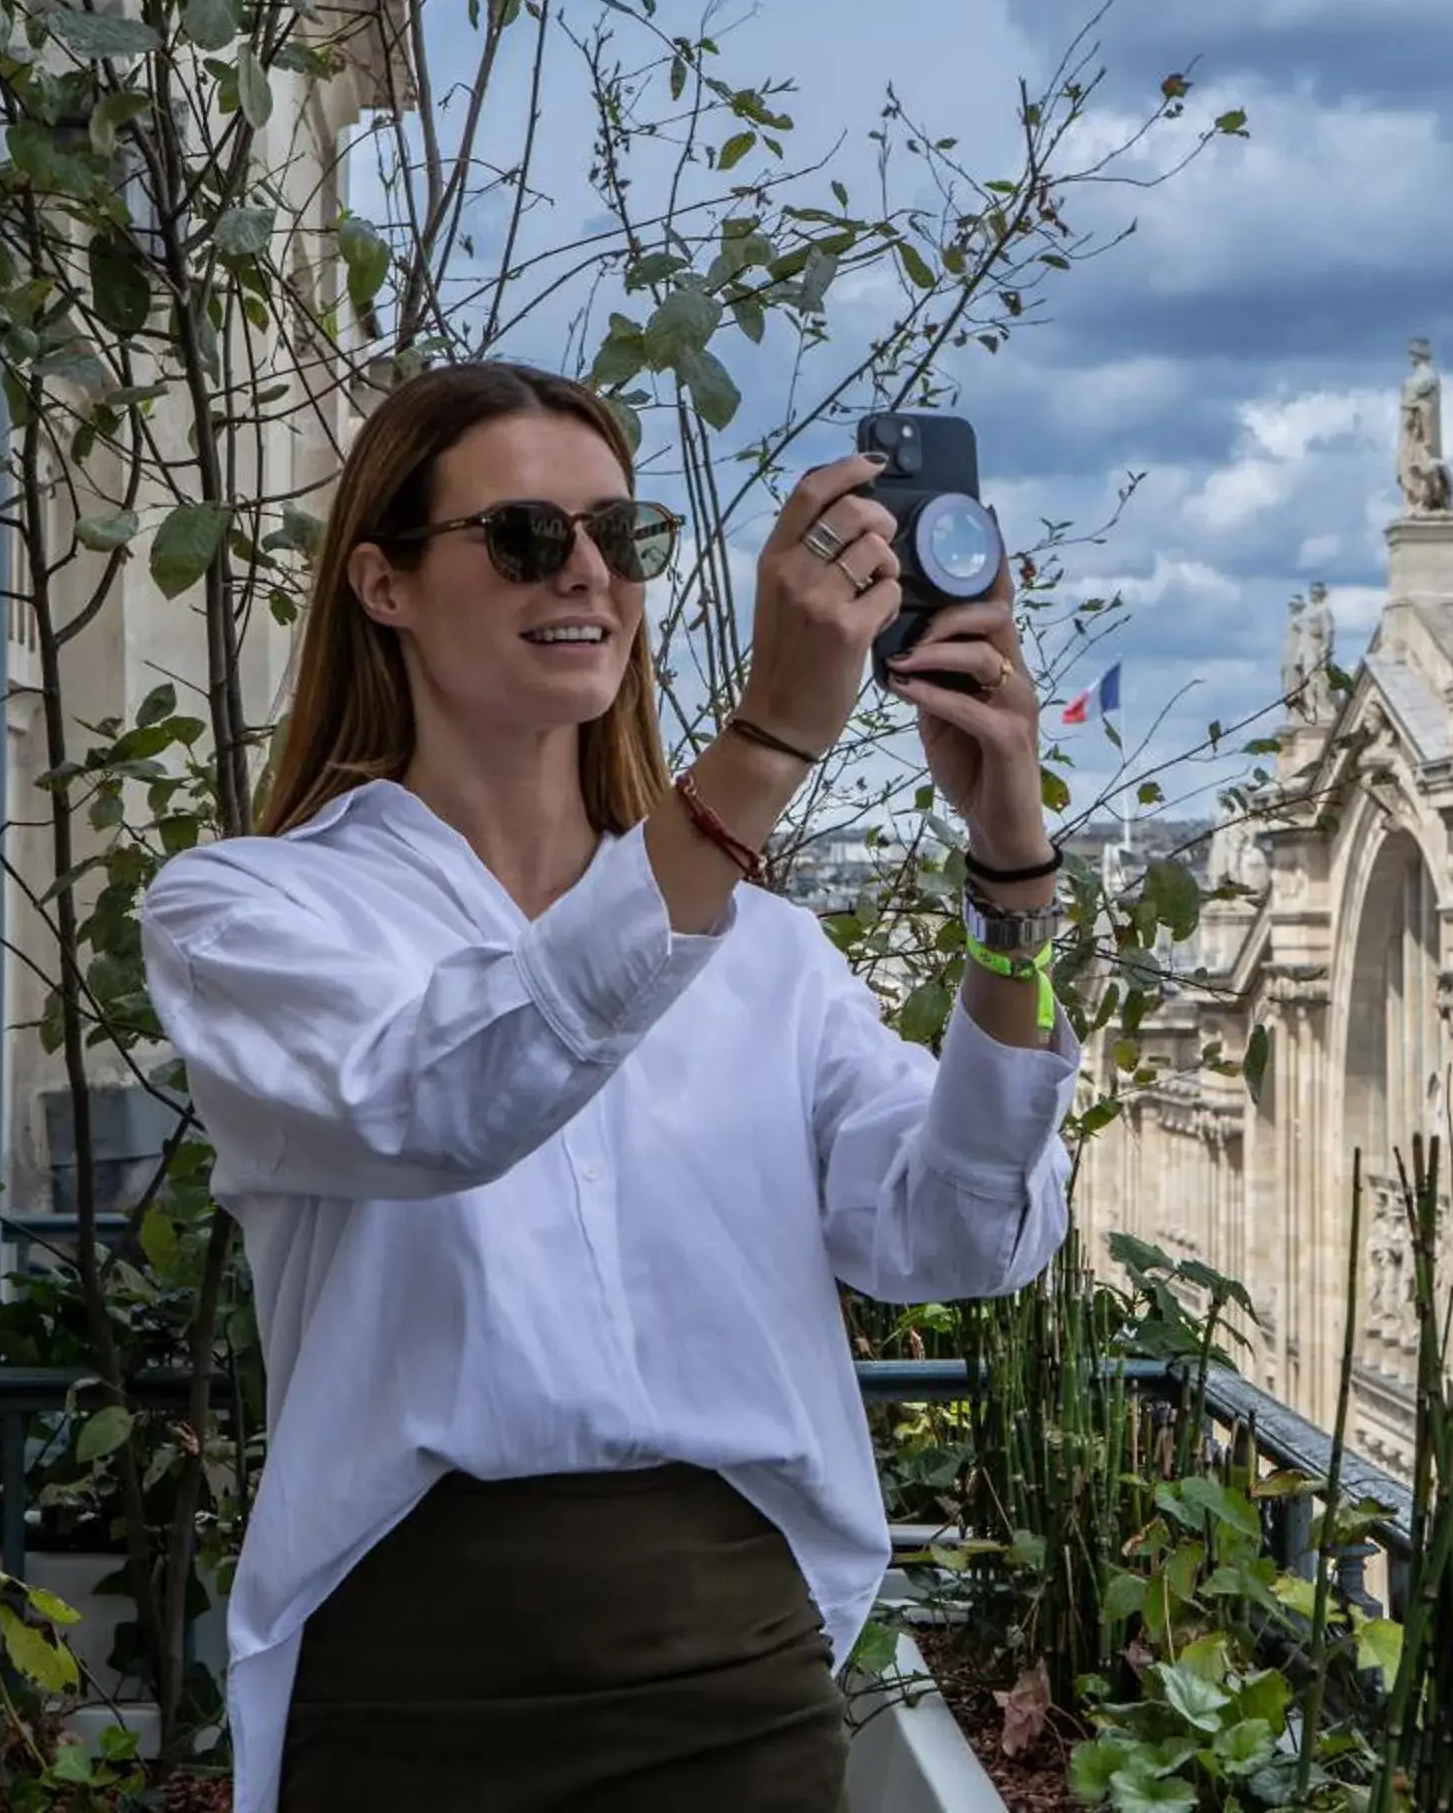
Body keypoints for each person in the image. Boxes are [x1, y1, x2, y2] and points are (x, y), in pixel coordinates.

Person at [138, 361, 1080, 1813]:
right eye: (522, 536)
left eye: (618, 535)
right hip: (413, 1681)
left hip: (736, 1672)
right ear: (383, 586)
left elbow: (964, 1236)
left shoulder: (769, 956)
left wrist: (1012, 871)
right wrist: (765, 742)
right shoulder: (251, 915)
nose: (584, 572)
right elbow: (445, 1099)